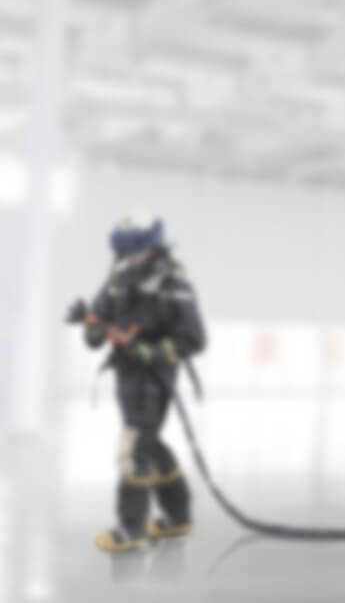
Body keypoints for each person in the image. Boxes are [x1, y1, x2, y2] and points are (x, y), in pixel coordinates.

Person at [67, 213, 206, 552]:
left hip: (156, 378)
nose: (130, 258)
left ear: (154, 246)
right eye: (125, 252)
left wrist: (156, 352)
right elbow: (96, 330)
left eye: (137, 251)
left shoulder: (174, 284)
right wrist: (91, 327)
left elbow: (194, 338)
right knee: (151, 445)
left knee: (132, 450)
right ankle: (178, 517)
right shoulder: (118, 280)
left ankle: (131, 529)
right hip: (126, 376)